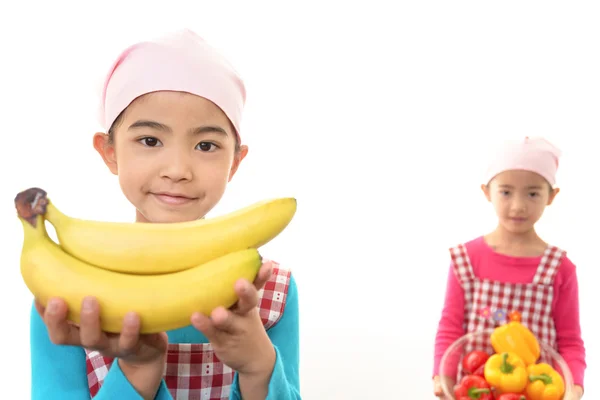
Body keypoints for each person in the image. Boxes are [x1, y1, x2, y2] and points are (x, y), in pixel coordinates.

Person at [29, 29, 301, 400]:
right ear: (109, 151)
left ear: (235, 163)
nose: (177, 169)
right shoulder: (66, 293)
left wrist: (259, 370)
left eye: (206, 145)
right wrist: (137, 371)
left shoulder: (269, 292)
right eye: (150, 140)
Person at [431, 137, 586, 399]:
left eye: (533, 193)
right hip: (474, 391)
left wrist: (574, 388)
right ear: (486, 191)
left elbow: (570, 340)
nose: (518, 205)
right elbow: (450, 326)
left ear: (551, 196)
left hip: (535, 392)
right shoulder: (466, 259)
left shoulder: (560, 268)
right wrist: (442, 379)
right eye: (506, 191)